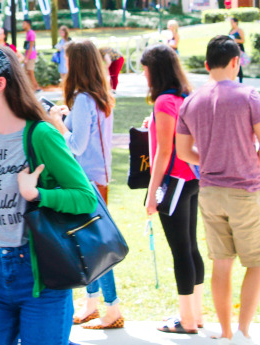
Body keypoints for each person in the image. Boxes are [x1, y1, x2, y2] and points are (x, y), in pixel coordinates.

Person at [0, 46, 97, 345]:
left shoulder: (41, 135)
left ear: (0, 82)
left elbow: (85, 198)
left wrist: (38, 193)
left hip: (42, 275)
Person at [176, 35, 260, 345]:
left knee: (221, 263)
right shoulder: (250, 96)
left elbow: (183, 152)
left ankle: (226, 333)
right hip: (245, 190)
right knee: (256, 262)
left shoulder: (190, 102)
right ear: (236, 62)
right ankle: (243, 331)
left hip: (210, 191)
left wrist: (210, 159)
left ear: (208, 64)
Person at [45, 40, 122, 330]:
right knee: (93, 242)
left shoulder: (83, 98)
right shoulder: (101, 95)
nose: (63, 67)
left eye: (66, 61)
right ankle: (92, 302)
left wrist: (56, 122)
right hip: (100, 177)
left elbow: (76, 145)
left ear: (75, 64)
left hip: (86, 180)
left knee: (95, 246)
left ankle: (111, 307)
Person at [138, 43, 204, 335]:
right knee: (190, 247)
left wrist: (151, 194)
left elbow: (164, 152)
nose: (144, 77)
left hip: (174, 181)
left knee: (181, 251)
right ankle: (195, 314)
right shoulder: (184, 97)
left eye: (145, 71)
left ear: (156, 71)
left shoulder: (164, 102)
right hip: (191, 178)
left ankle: (187, 320)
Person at [22, 19, 39, 92]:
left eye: (24, 24)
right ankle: (30, 87)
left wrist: (27, 58)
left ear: (28, 24)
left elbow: (31, 46)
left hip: (31, 56)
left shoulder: (31, 33)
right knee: (27, 72)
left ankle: (36, 87)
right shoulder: (28, 33)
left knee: (30, 71)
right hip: (28, 55)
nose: (23, 25)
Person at [228, 17, 245, 83]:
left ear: (236, 22)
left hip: (239, 49)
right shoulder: (231, 31)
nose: (231, 24)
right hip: (232, 49)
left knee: (238, 65)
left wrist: (235, 40)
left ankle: (240, 80)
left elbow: (243, 40)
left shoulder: (239, 30)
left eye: (232, 22)